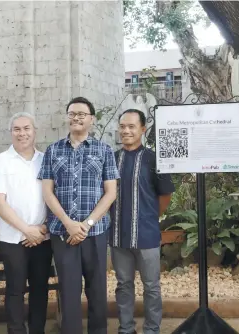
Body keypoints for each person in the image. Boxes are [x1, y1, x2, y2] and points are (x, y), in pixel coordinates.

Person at [38, 97, 119, 334]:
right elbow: (47, 191)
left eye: (82, 114)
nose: (76, 118)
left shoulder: (103, 150)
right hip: (62, 233)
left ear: (91, 119)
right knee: (69, 290)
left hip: (95, 231)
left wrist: (86, 224)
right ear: (67, 117)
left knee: (96, 288)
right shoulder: (53, 150)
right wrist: (68, 224)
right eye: (72, 113)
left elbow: (111, 192)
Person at [0, 112, 52, 334]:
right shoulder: (0, 162)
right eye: (17, 129)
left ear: (35, 131)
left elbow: (55, 197)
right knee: (15, 289)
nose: (22, 133)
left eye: (26, 128)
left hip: (43, 237)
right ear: (11, 133)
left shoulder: (45, 160)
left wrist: (41, 229)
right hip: (13, 239)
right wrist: (26, 230)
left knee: (40, 289)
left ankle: (37, 330)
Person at [110, 109, 175, 334]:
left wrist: (150, 216)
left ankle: (151, 329)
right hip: (118, 235)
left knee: (151, 287)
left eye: (131, 127)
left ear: (142, 129)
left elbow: (165, 194)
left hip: (147, 234)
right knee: (124, 285)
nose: (126, 131)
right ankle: (126, 328)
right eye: (123, 127)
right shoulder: (112, 158)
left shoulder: (153, 159)